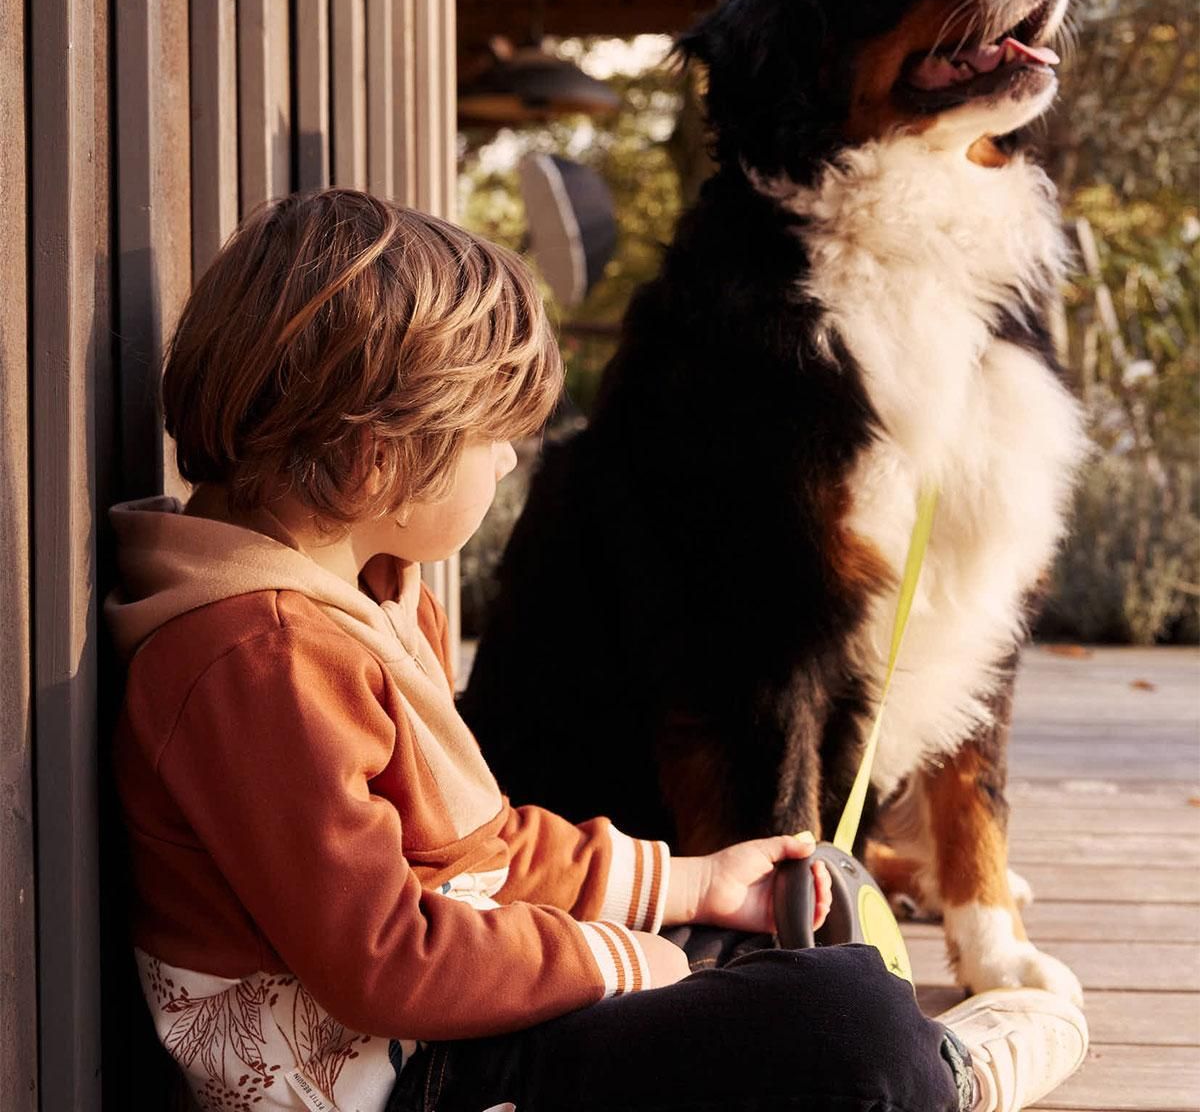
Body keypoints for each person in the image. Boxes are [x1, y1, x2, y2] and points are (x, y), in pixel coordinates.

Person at [105, 189, 1088, 1112]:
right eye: (499, 440)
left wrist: (690, 886)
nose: (509, 463)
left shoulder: (362, 599)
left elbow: (477, 850)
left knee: (797, 902)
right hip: (388, 1076)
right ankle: (936, 1072)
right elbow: (382, 963)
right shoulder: (262, 658)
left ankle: (864, 1043)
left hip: (436, 1013)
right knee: (842, 1022)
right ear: (380, 459)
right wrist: (620, 961)